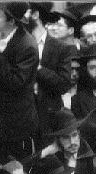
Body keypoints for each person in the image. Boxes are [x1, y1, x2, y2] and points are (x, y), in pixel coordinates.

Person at [0, 2, 39, 166]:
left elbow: (15, 82)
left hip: (17, 126)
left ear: (12, 21)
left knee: (17, 169)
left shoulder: (27, 45)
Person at [36, 9, 76, 137]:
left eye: (58, 25)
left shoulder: (66, 49)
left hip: (50, 113)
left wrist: (38, 68)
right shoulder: (24, 43)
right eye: (51, 24)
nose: (53, 28)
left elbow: (64, 83)